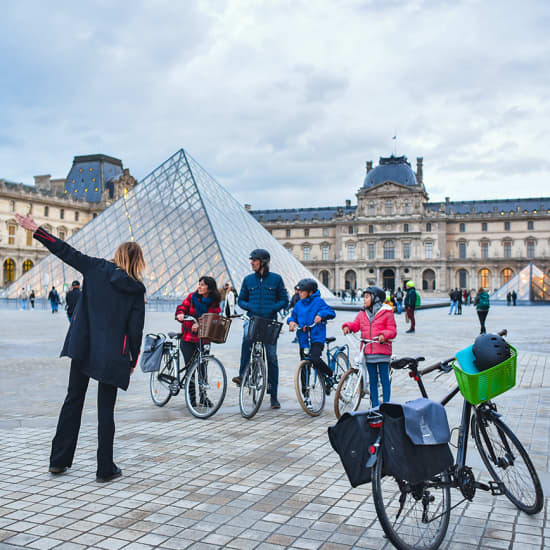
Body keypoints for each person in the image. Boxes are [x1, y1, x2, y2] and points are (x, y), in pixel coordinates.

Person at [15, 212, 146, 483]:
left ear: (118, 255)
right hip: (113, 354)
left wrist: (36, 229)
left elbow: (64, 251)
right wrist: (132, 361)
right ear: (138, 261)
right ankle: (104, 469)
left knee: (73, 401)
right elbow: (135, 330)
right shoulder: (136, 288)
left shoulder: (95, 268)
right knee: (105, 411)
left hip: (84, 347)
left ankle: (58, 461)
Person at [233, 249, 289, 409]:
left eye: (255, 260)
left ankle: (274, 394)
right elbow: (241, 300)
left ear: (263, 262)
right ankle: (242, 373)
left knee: (272, 357)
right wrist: (250, 306)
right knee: (246, 341)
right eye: (252, 260)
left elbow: (284, 300)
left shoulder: (276, 279)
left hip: (270, 321)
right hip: (253, 319)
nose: (252, 262)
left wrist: (272, 307)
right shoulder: (248, 280)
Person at [342, 286, 397, 407]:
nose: (364, 299)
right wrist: (348, 326)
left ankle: (386, 404)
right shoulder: (362, 313)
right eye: (364, 297)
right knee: (372, 379)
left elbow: (392, 330)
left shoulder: (387, 312)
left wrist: (384, 335)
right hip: (368, 351)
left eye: (367, 297)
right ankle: (375, 406)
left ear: (376, 298)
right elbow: (356, 325)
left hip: (382, 351)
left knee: (384, 379)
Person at [175, 277, 221, 406]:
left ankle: (203, 397)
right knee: (190, 369)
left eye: (202, 285)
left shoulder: (214, 302)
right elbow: (181, 308)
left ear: (209, 288)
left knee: (202, 368)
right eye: (199, 284)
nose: (199, 287)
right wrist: (180, 314)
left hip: (204, 339)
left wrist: (201, 324)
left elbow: (214, 316)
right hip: (188, 338)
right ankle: (191, 399)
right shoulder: (192, 297)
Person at [287, 279, 336, 394]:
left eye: (302, 291)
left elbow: (331, 312)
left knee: (314, 358)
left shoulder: (318, 302)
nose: (299, 293)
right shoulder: (298, 304)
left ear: (310, 292)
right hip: (303, 338)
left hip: (317, 337)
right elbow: (293, 316)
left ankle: (330, 374)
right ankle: (305, 394)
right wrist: (291, 322)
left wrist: (321, 315)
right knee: (304, 365)